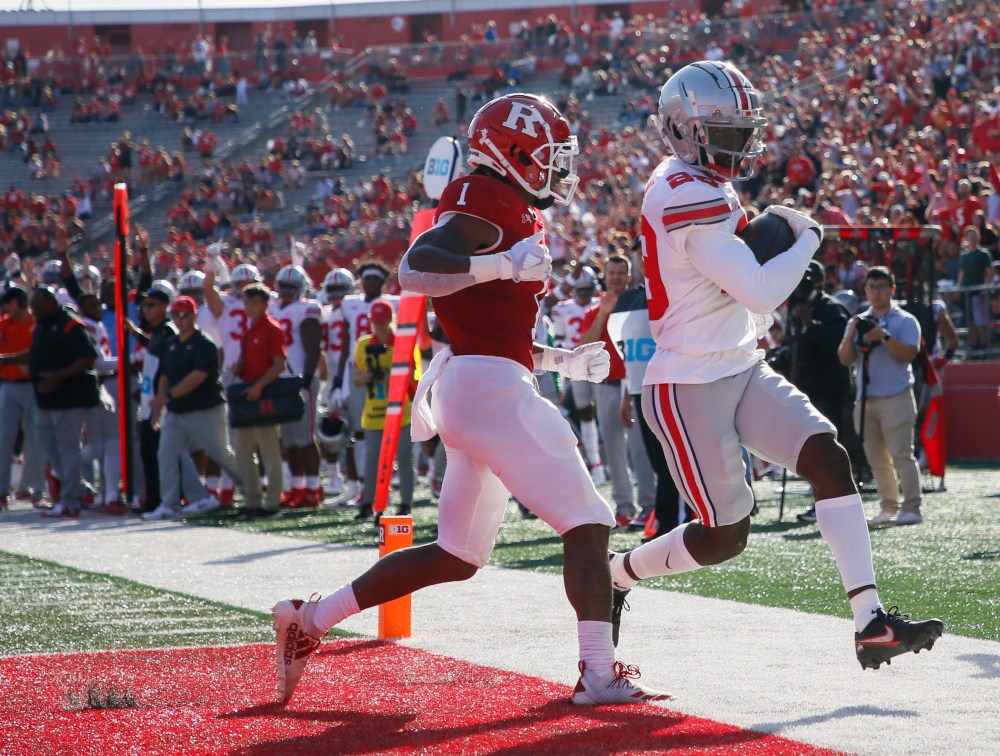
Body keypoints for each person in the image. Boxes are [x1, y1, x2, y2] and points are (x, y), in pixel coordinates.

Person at [271, 93, 669, 706]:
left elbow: (493, 330)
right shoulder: (486, 196)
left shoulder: (509, 207)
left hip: (475, 382)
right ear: (509, 155)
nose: (555, 171)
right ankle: (597, 672)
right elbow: (416, 268)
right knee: (589, 522)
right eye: (545, 158)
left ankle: (310, 619)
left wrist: (559, 358)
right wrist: (503, 266)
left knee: (457, 554)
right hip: (486, 391)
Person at [610, 62, 942, 672]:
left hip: (737, 364)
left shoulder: (705, 184)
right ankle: (619, 574)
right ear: (686, 131)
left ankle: (871, 621)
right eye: (729, 132)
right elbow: (761, 291)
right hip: (688, 382)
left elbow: (743, 295)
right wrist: (808, 238)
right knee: (724, 537)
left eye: (745, 130)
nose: (743, 144)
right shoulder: (683, 191)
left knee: (827, 455)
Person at [838, 267, 924, 526]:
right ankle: (888, 507)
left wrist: (883, 336)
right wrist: (852, 333)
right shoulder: (858, 320)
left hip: (896, 396)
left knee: (901, 456)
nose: (876, 293)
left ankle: (912, 508)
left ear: (892, 289)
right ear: (865, 290)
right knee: (877, 459)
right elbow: (845, 359)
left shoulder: (906, 320)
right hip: (866, 399)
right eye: (871, 287)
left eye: (881, 287)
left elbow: (909, 354)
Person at [145, 296, 243, 521]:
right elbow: (166, 375)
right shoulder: (171, 343)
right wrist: (160, 406)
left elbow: (197, 377)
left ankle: (252, 491)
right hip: (177, 412)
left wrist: (166, 397)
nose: (179, 320)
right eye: (175, 315)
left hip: (205, 410)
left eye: (183, 315)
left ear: (193, 316)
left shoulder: (204, 343)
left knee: (222, 455)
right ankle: (169, 505)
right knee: (166, 454)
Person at [577, 254, 656, 527]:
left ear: (628, 275)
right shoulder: (595, 310)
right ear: (605, 276)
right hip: (606, 384)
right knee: (614, 450)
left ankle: (649, 505)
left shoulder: (638, 306)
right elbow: (584, 348)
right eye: (611, 273)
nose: (616, 278)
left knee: (640, 448)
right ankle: (624, 507)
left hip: (633, 384)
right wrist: (602, 314)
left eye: (621, 273)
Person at [783, 261, 851, 524]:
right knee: (811, 451)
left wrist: (811, 324)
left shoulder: (831, 309)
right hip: (807, 391)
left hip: (830, 391)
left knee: (828, 450)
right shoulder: (798, 309)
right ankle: (820, 503)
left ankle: (834, 505)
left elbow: (838, 344)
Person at [24, 286, 98, 518]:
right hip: (46, 398)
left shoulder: (70, 325)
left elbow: (87, 358)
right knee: (46, 443)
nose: (34, 311)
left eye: (37, 306)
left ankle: (70, 501)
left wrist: (58, 377)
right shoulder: (41, 326)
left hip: (69, 397)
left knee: (68, 449)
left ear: (50, 302)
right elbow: (34, 355)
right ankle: (77, 487)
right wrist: (5, 360)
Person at [351, 300, 422, 519]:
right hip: (373, 412)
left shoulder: (404, 342)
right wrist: (368, 376)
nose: (379, 327)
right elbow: (356, 379)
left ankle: (406, 503)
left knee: (402, 456)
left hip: (400, 412)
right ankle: (369, 501)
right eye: (376, 323)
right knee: (372, 457)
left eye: (383, 322)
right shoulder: (363, 344)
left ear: (390, 320)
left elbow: (412, 375)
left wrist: (388, 376)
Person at [268, 265, 323, 507]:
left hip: (301, 379)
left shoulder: (308, 308)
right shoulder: (271, 308)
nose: (288, 291)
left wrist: (307, 379)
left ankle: (313, 488)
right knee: (288, 440)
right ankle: (297, 487)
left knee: (306, 438)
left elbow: (313, 347)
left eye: (293, 287)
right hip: (280, 380)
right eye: (285, 287)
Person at [232, 283, 287, 519]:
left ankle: (272, 503)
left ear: (266, 304)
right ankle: (252, 501)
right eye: (247, 303)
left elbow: (279, 364)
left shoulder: (272, 329)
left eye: (254, 303)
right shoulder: (250, 331)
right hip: (250, 396)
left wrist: (258, 386)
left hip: (265, 396)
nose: (250, 307)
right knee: (243, 453)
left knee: (269, 452)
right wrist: (240, 368)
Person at [0, 284, 45, 509]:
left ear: (19, 302)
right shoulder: (3, 325)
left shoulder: (35, 324)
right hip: (8, 385)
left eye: (9, 302)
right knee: (4, 437)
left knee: (36, 438)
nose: (6, 307)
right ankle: (2, 491)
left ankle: (37, 490)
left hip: (32, 386)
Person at [955, 225, 994, 357]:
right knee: (970, 322)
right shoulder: (963, 256)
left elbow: (990, 273)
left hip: (978, 293)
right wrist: (958, 289)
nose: (972, 239)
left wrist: (985, 288)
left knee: (980, 322)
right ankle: (975, 348)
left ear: (978, 237)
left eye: (974, 236)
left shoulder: (983, 254)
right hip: (966, 293)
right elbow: (961, 274)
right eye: (969, 236)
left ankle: (984, 348)